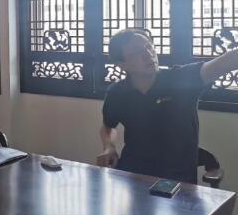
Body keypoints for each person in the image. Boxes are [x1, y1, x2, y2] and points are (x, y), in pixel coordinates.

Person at [98, 29, 238, 183]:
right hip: (132, 175)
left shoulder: (180, 80)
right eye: (137, 51)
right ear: (121, 64)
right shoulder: (118, 92)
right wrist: (109, 147)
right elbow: (108, 126)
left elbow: (227, 61)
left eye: (149, 47)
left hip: (178, 180)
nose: (148, 54)